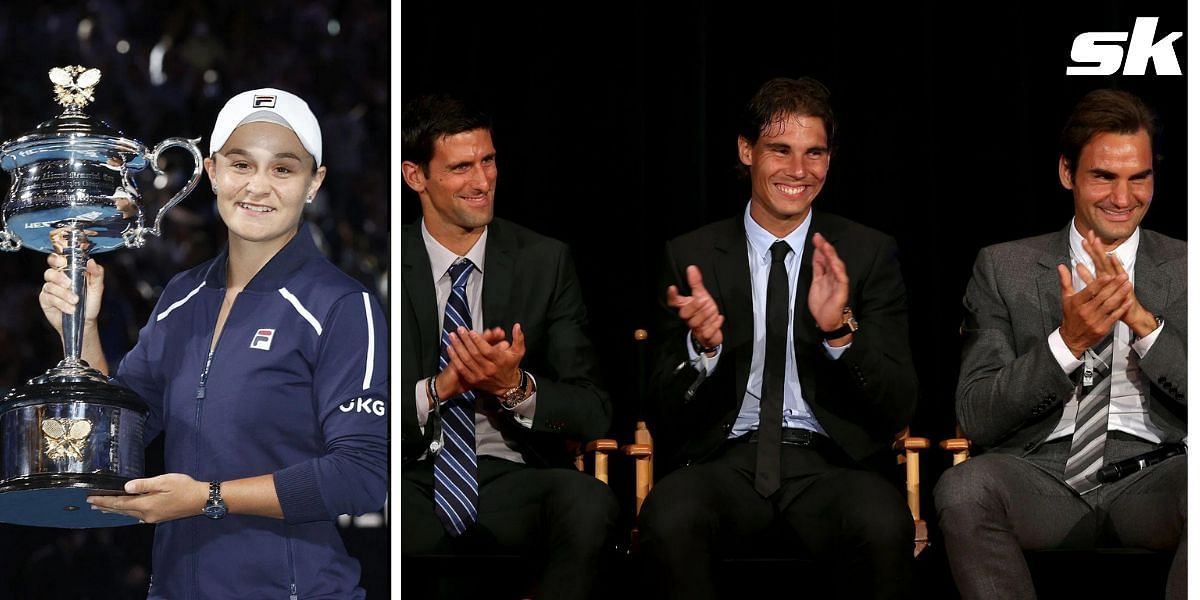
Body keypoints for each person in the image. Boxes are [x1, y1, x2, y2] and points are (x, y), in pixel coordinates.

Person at [39, 88, 388, 599]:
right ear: (212, 171)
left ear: (315, 184)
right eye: (241, 164)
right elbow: (117, 442)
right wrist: (83, 329)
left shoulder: (341, 306)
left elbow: (362, 475)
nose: (258, 186)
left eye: (284, 170)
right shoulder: (182, 296)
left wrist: (208, 498)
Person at [638, 76, 919, 599]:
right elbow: (660, 404)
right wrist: (702, 350)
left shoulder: (866, 253)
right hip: (725, 460)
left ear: (830, 159)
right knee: (670, 516)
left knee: (883, 525)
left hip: (832, 464)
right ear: (746, 151)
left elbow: (898, 400)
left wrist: (839, 332)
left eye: (815, 152)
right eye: (780, 150)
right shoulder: (691, 255)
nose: (798, 170)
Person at [934, 89, 1186, 599]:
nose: (1123, 197)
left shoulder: (1189, 267)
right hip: (1040, 473)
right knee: (963, 488)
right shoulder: (1003, 267)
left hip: (1158, 473)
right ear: (1067, 174)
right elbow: (978, 414)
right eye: (1103, 177)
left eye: (1139, 178)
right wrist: (1067, 343)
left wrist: (1143, 323)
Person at [399, 93, 618, 598]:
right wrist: (439, 387)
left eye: (489, 161)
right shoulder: (384, 264)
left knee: (589, 505)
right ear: (416, 177)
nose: (482, 182)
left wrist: (515, 387)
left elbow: (593, 408)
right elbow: (357, 413)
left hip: (512, 475)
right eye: (460, 167)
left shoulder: (545, 262)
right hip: (409, 473)